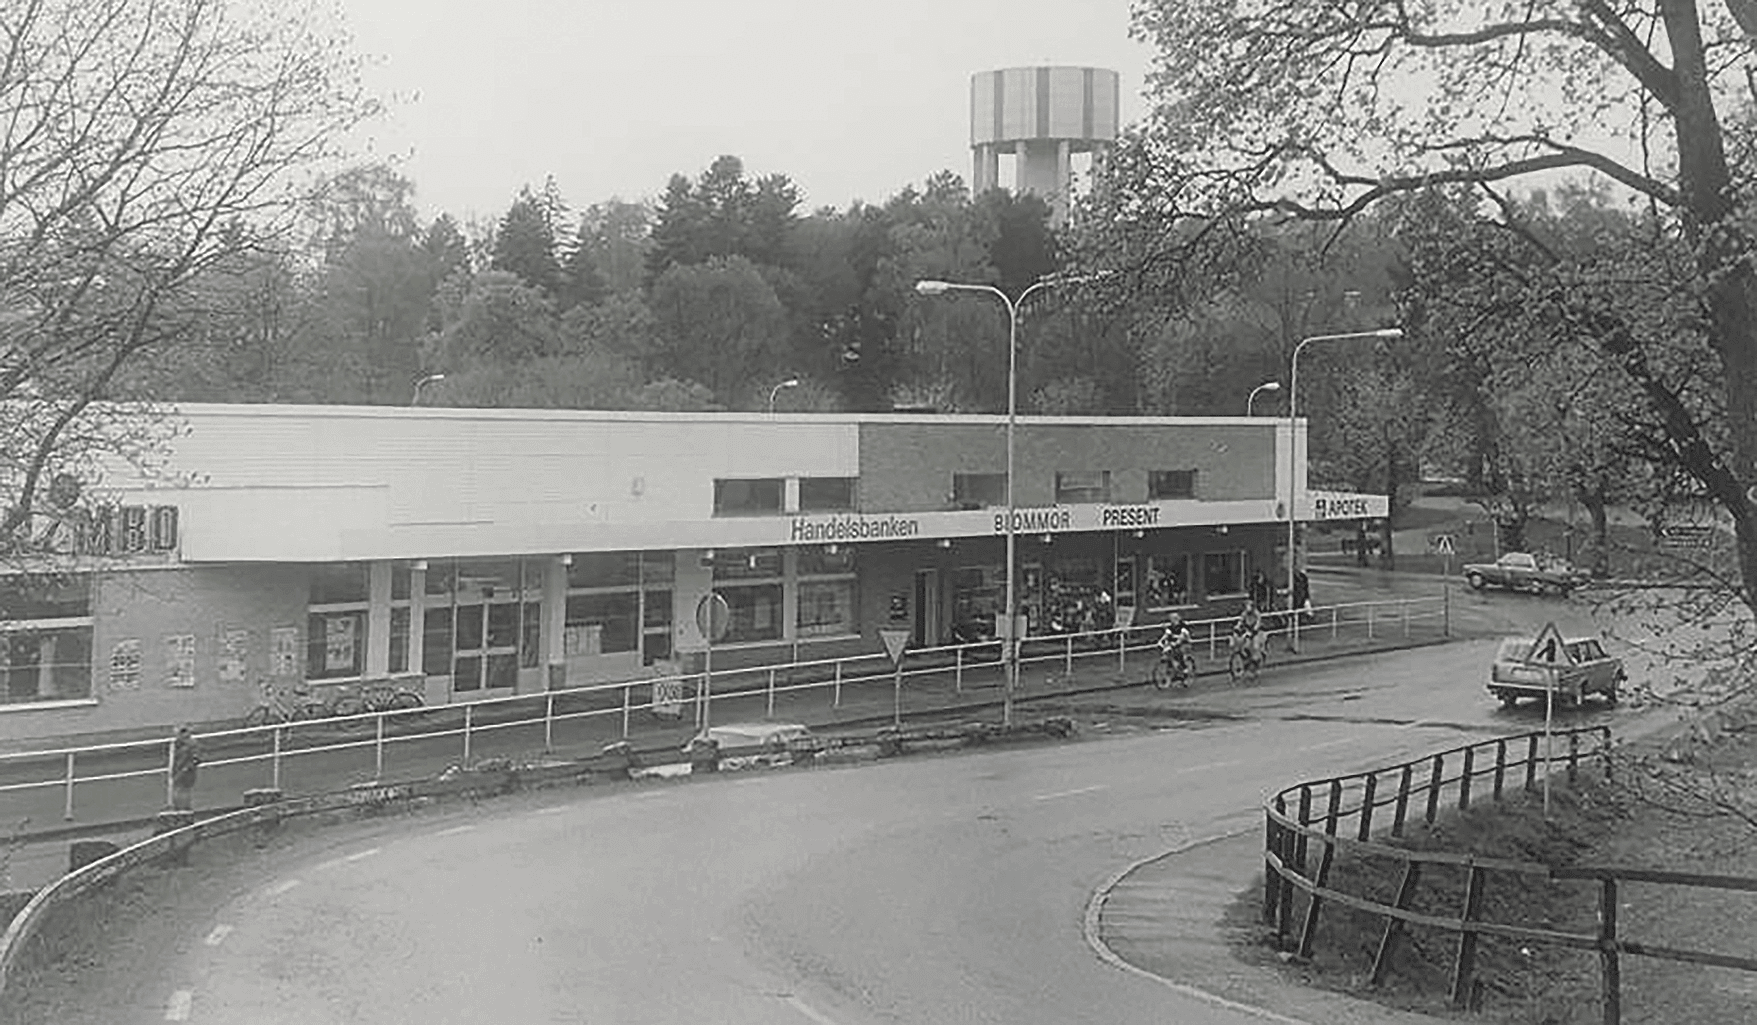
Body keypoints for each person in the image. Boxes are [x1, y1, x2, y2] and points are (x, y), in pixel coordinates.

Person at [170, 725, 201, 811]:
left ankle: (185, 809)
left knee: (184, 791)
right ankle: (178, 808)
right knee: (178, 790)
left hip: (187, 773)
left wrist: (187, 768)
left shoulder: (192, 744)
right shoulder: (177, 744)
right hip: (178, 772)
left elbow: (196, 759)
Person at [1158, 613, 1193, 680]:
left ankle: (1184, 668)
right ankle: (1172, 668)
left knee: (1180, 652)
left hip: (1184, 643)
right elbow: (1166, 635)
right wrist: (1160, 641)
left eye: (1173, 619)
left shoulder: (1183, 626)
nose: (1171, 621)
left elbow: (1182, 636)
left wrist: (1177, 642)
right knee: (1168, 651)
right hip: (1174, 643)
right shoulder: (1171, 627)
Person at [1232, 601, 1266, 666]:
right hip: (1248, 630)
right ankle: (1245, 656)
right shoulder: (1244, 614)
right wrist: (1237, 627)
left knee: (1255, 645)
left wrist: (1255, 629)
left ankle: (1256, 659)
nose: (1248, 608)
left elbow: (1258, 622)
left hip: (1256, 631)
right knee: (1243, 642)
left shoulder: (1256, 613)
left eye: (1249, 606)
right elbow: (1241, 621)